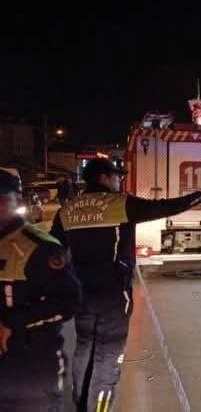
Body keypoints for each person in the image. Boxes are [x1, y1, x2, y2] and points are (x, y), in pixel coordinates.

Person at [50, 158, 201, 412]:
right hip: (113, 293)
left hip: (80, 290)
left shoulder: (67, 209)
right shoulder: (119, 204)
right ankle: (99, 409)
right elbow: (164, 207)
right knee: (108, 355)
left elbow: (55, 250)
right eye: (116, 176)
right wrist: (200, 196)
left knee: (84, 346)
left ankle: (81, 402)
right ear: (103, 178)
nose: (119, 180)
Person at [0, 168, 81, 410]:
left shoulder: (40, 248)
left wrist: (12, 323)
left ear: (17, 200)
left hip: (30, 368)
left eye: (2, 198)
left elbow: (69, 302)